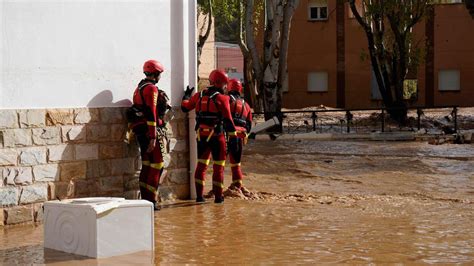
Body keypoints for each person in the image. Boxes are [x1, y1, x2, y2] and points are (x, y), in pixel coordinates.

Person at [181, 69, 237, 203]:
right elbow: (229, 121)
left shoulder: (199, 96)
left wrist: (186, 96)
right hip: (217, 138)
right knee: (219, 167)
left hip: (201, 137)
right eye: (225, 84)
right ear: (219, 83)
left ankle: (199, 198)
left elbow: (185, 107)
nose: (225, 87)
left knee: (201, 166)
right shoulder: (222, 99)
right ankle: (218, 198)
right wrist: (234, 139)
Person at [129, 59, 170, 210]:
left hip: (140, 130)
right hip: (150, 131)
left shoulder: (138, 88)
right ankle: (151, 202)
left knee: (146, 165)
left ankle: (145, 201)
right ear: (156, 73)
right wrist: (153, 137)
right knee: (157, 165)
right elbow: (151, 112)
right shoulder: (151, 89)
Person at [226, 79, 252, 192]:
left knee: (219, 163)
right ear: (240, 89)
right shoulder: (246, 105)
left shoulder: (226, 100)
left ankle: (216, 191)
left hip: (227, 135)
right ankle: (237, 187)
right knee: (236, 163)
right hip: (240, 136)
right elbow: (249, 125)